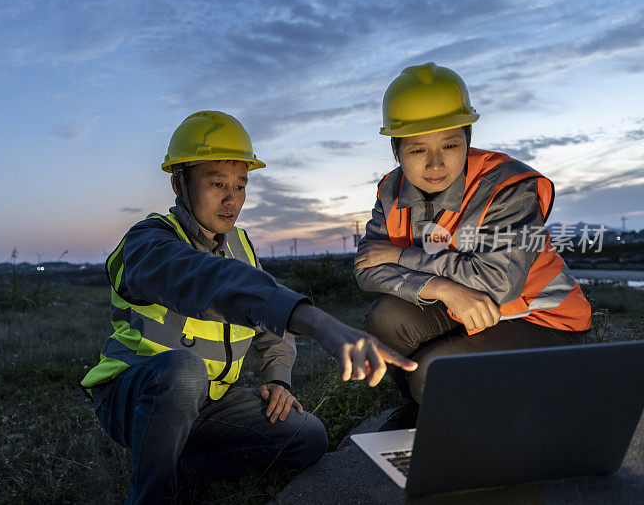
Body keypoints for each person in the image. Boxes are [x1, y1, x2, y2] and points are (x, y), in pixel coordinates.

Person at [81, 110, 417, 503]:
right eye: (216, 183)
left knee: (307, 435)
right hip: (133, 397)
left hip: (209, 402)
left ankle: (182, 468)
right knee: (184, 370)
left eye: (240, 185)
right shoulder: (149, 245)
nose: (231, 198)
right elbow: (206, 280)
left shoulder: (240, 245)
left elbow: (269, 326)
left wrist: (278, 378)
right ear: (179, 183)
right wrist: (319, 323)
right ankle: (152, 495)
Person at [354, 63, 591, 431]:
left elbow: (498, 284)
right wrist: (443, 289)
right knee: (384, 316)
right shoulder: (390, 189)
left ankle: (488, 434)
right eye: (418, 150)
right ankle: (423, 412)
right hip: (462, 309)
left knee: (435, 374)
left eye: (450, 145)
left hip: (543, 321)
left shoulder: (507, 186)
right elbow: (367, 267)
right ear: (397, 150)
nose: (436, 163)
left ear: (468, 138)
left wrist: (403, 256)